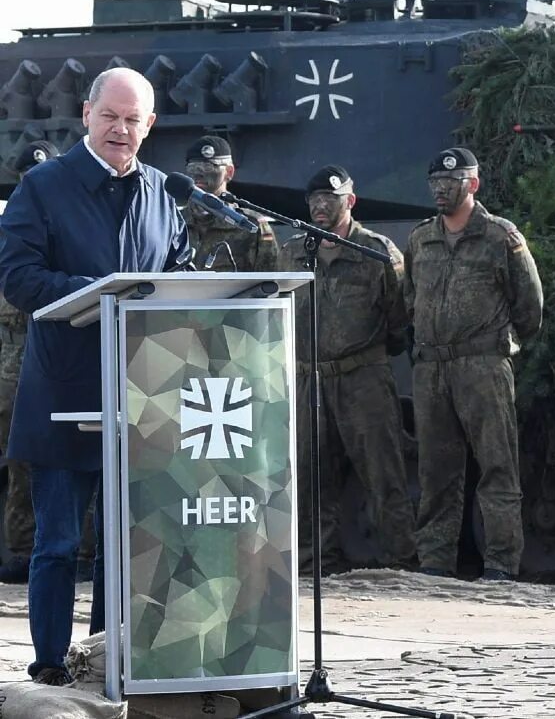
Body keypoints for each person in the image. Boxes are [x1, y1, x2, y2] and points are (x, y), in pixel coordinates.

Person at [0, 68, 189, 685]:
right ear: (86, 114)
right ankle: (51, 664)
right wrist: (94, 292)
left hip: (141, 393)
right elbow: (18, 278)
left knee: (123, 546)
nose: (121, 129)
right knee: (57, 543)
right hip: (65, 390)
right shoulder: (43, 187)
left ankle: (106, 658)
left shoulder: (164, 193)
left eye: (134, 120)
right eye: (111, 116)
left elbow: (178, 277)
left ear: (150, 126)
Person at [403, 148, 542, 580]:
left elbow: (530, 305)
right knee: (436, 472)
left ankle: (501, 564)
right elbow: (411, 297)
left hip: (482, 364)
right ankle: (435, 564)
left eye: (452, 182)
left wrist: (500, 343)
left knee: (497, 466)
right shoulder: (420, 239)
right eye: (436, 184)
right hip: (431, 368)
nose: (442, 190)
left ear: (473, 185)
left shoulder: (501, 237)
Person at [283, 165, 416, 572]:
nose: (321, 207)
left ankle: (400, 561)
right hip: (308, 378)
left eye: (331, 199)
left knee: (383, 473)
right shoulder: (291, 252)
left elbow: (400, 319)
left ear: (350, 201)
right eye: (315, 200)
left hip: (363, 378)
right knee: (308, 477)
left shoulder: (376, 252)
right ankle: (314, 562)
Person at [0, 141, 59, 584]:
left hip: (58, 370)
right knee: (18, 466)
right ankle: (20, 553)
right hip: (10, 375)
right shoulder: (9, 237)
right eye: (24, 180)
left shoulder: (67, 234)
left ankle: (84, 552)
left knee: (73, 462)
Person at [181, 135, 283, 272]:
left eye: (208, 167)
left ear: (229, 172)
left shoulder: (251, 226)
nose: (198, 174)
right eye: (193, 168)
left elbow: (270, 281)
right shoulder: (175, 223)